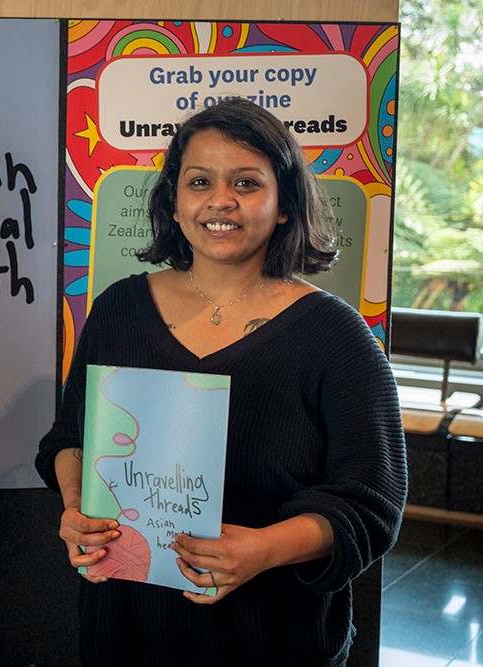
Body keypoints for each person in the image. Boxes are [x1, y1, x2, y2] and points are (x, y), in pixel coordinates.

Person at [35, 97, 406, 666]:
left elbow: (373, 504)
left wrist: (262, 548)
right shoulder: (119, 309)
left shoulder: (336, 335)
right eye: (200, 181)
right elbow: (70, 438)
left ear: (284, 205)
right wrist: (76, 507)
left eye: (247, 183)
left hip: (272, 634)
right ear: (175, 203)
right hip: (127, 626)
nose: (220, 201)